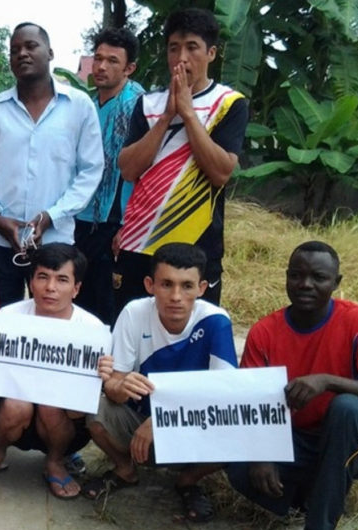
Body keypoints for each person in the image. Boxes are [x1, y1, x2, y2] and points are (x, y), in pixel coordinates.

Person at [227, 241, 358, 530]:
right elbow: (249, 401)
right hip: (298, 439)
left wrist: (327, 381)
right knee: (238, 465)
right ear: (286, 276)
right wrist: (262, 454)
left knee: (346, 408)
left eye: (319, 278)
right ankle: (311, 498)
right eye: (296, 275)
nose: (305, 284)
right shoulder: (265, 331)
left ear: (336, 283)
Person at [82, 243, 237, 523]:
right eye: (166, 284)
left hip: (189, 425)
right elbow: (115, 383)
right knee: (95, 407)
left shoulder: (216, 321)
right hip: (138, 418)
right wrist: (116, 387)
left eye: (186, 286)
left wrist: (162, 419)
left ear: (202, 288)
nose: (176, 296)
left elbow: (223, 393)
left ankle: (188, 481)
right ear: (150, 284)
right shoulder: (134, 313)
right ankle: (125, 469)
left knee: (238, 425)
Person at [0, 22, 104, 307]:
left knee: (51, 323)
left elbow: (91, 170)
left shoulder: (79, 106)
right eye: (15, 50)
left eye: (30, 46)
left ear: (50, 53)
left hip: (55, 241)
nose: (22, 54)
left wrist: (49, 217)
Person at [114, 8, 248, 311]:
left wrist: (188, 114)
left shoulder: (229, 104)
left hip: (197, 248)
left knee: (191, 341)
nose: (181, 57)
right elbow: (128, 169)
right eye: (174, 48)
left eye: (192, 48)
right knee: (133, 336)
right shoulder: (147, 103)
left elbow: (221, 172)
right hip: (139, 243)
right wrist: (166, 116)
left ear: (211, 53)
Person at [0, 244, 114, 499]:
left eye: (62, 280)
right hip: (13, 414)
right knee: (16, 404)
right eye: (43, 277)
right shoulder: (8, 318)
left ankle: (55, 461)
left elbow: (79, 410)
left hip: (64, 422)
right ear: (30, 282)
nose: (51, 287)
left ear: (76, 288)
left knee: (51, 406)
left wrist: (103, 377)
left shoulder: (92, 331)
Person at [73, 28, 145, 326]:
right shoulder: (87, 103)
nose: (101, 67)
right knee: (78, 300)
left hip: (114, 222)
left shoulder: (138, 105)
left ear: (129, 68)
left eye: (112, 61)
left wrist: (129, 224)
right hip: (80, 217)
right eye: (98, 59)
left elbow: (144, 168)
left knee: (106, 309)